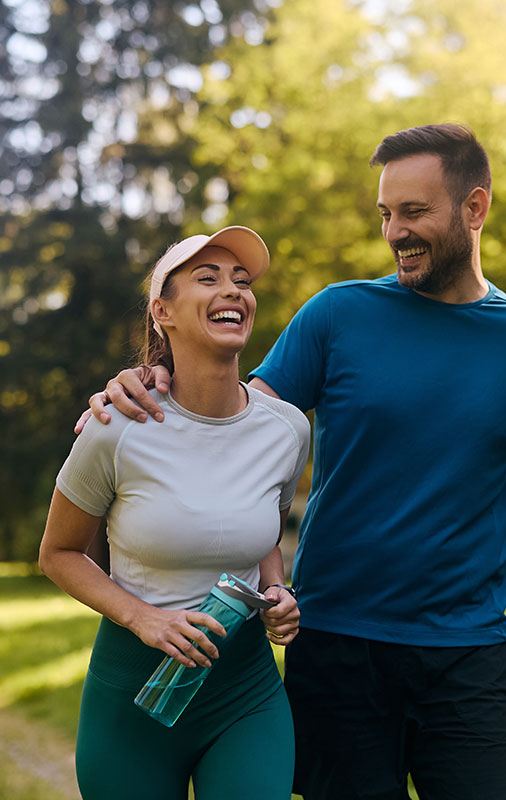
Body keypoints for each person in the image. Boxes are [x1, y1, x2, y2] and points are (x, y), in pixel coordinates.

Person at [81, 124, 506, 800]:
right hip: (339, 650)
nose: (395, 231)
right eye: (387, 213)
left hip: (467, 656)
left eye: (415, 212)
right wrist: (146, 379)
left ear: (475, 209)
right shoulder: (338, 315)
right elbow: (225, 419)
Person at [42, 226, 310, 800]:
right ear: (163, 311)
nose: (233, 290)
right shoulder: (116, 427)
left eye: (242, 281)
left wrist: (277, 590)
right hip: (133, 693)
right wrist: (144, 618)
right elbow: (58, 553)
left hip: (244, 692)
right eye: (208, 278)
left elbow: (260, 528)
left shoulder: (287, 429)